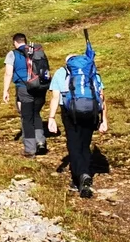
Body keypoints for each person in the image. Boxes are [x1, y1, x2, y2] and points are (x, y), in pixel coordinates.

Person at [46, 45, 108, 199]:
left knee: (73, 144)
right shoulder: (92, 72)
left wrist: (51, 118)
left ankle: (80, 177)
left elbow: (55, 97)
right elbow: (102, 97)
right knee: (85, 144)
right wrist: (103, 120)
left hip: (69, 112)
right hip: (91, 111)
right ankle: (85, 174)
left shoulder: (62, 72)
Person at [2, 33, 51, 157]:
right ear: (25, 41)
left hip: (24, 88)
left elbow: (8, 73)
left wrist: (5, 90)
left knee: (27, 118)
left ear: (15, 42)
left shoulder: (13, 54)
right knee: (36, 114)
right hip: (40, 87)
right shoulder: (37, 50)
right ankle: (40, 141)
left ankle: (30, 149)